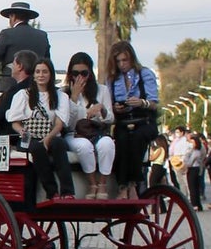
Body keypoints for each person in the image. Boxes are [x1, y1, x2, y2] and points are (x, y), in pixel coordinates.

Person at [6, 57, 75, 200]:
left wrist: (48, 138)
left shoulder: (60, 96)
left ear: (51, 75)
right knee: (37, 148)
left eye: (45, 72)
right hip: (29, 137)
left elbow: (59, 123)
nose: (41, 75)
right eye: (38, 72)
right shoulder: (24, 95)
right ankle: (52, 192)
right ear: (34, 75)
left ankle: (67, 191)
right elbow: (15, 122)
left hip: (51, 134)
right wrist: (22, 131)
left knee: (59, 144)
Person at [108, 40, 159, 199]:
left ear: (131, 58)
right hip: (123, 121)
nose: (122, 64)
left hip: (144, 120)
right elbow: (108, 104)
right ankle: (123, 186)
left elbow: (154, 104)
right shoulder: (112, 79)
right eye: (118, 61)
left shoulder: (145, 74)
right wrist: (115, 108)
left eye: (125, 60)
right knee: (121, 142)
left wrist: (141, 102)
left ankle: (132, 184)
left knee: (137, 139)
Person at [61, 52, 116, 199]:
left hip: (96, 132)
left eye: (84, 73)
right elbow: (67, 122)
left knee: (107, 144)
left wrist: (102, 109)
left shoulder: (102, 90)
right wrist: (73, 97)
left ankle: (102, 184)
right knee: (84, 146)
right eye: (75, 73)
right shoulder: (63, 93)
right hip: (74, 134)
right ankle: (92, 184)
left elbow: (110, 118)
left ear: (90, 73)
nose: (79, 77)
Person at [0, 2, 51, 92]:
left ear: (13, 16)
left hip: (9, 83)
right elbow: (47, 60)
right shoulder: (42, 35)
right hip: (36, 84)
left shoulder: (6, 33)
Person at [184, 131, 205, 211]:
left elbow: (189, 162)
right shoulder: (195, 151)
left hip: (193, 169)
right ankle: (198, 204)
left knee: (192, 187)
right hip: (196, 169)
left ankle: (194, 204)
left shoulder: (196, 152)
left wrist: (187, 155)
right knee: (195, 187)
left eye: (193, 142)